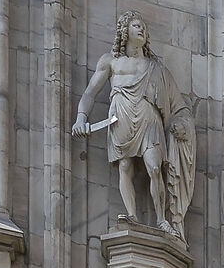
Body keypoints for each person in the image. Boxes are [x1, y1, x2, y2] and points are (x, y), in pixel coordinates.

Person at [71, 14, 197, 235]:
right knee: (125, 166)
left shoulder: (155, 68)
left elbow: (179, 106)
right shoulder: (110, 62)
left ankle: (161, 220)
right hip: (121, 117)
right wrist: (81, 117)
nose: (142, 30)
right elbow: (90, 93)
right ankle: (132, 215)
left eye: (144, 27)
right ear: (124, 31)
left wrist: (182, 126)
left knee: (154, 167)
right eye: (136, 26)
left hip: (149, 120)